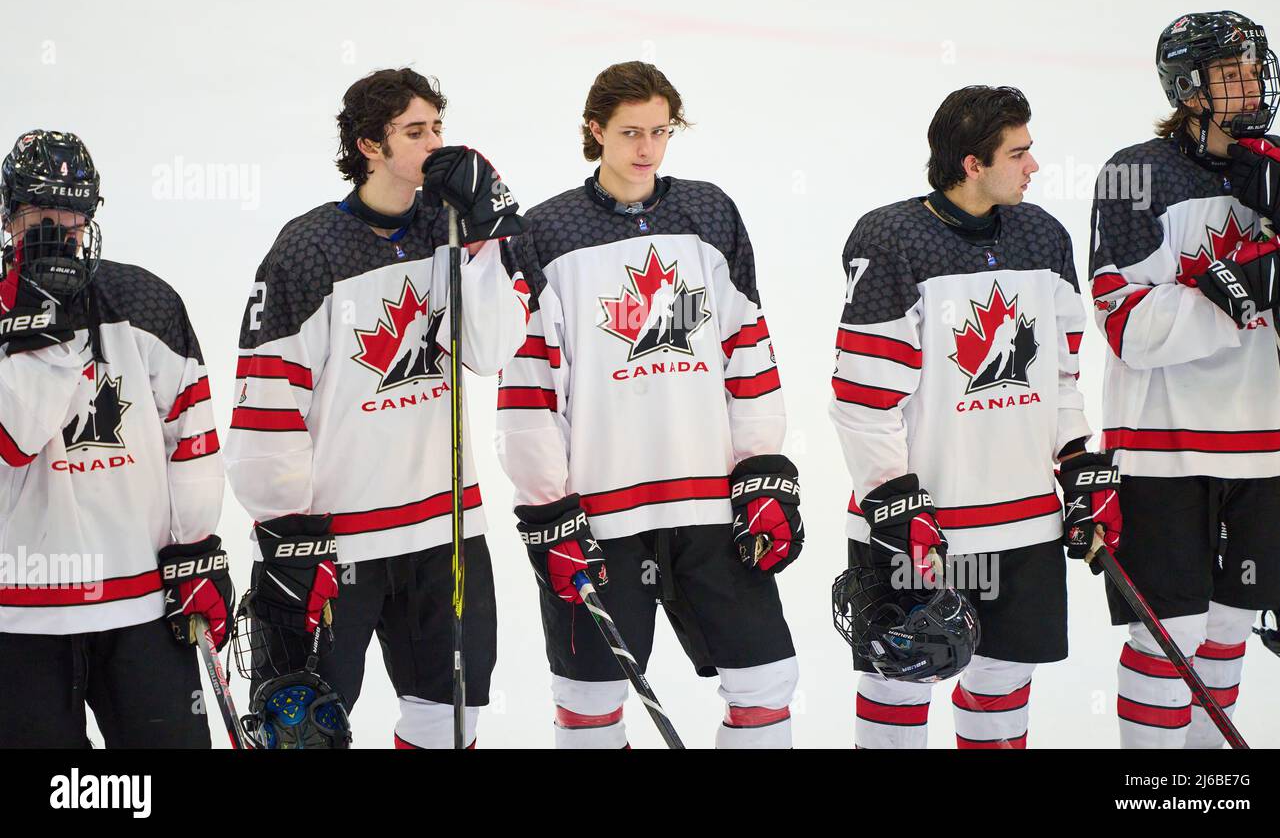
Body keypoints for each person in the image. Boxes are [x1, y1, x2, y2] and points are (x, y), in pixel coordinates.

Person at [498, 61, 801, 748]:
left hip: (711, 506)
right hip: (600, 515)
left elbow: (747, 347)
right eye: (630, 131)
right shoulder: (545, 233)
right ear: (594, 130)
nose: (646, 149)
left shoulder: (709, 212)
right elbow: (529, 388)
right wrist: (547, 505)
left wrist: (762, 469)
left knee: (766, 681)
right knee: (588, 702)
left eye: (660, 131)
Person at [224, 68, 528, 749]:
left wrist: (487, 241)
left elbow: (492, 348)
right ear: (369, 145)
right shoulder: (307, 250)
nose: (435, 145)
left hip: (444, 532)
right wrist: (287, 530)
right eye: (414, 133)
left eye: (438, 129)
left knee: (447, 726)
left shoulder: (450, 229)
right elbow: (269, 398)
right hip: (336, 544)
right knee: (304, 733)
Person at [831, 86, 1097, 748]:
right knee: (895, 683)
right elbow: (862, 397)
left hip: (1026, 526)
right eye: (1019, 153)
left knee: (1002, 689)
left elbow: (1062, 375)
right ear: (972, 164)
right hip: (919, 527)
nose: (1034, 167)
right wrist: (893, 501)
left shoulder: (1043, 236)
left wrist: (1079, 462)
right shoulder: (893, 236)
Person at [1089, 10, 1280, 747]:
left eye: (1252, 69)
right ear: (1188, 89)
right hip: (1160, 451)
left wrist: (1277, 281)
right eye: (1228, 74)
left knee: (1231, 627)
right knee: (1166, 635)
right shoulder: (1134, 175)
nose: (1249, 86)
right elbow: (1130, 328)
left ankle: (1206, 791)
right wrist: (1246, 287)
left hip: (1262, 450)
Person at [0, 129, 228, 747]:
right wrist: (39, 328)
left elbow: (192, 434)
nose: (56, 231)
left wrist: (196, 543)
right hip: (20, 615)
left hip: (141, 604)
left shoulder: (145, 300)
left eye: (70, 216)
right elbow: (14, 438)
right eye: (38, 214)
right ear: (10, 216)